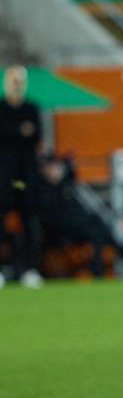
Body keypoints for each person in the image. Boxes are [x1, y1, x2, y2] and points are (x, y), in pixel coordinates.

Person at [0, 66, 44, 289]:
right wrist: (19, 131)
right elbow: (18, 133)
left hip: (26, 176)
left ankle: (30, 270)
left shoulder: (32, 108)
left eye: (20, 80)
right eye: (13, 80)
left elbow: (36, 135)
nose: (17, 84)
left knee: (30, 224)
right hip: (4, 176)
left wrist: (13, 132)